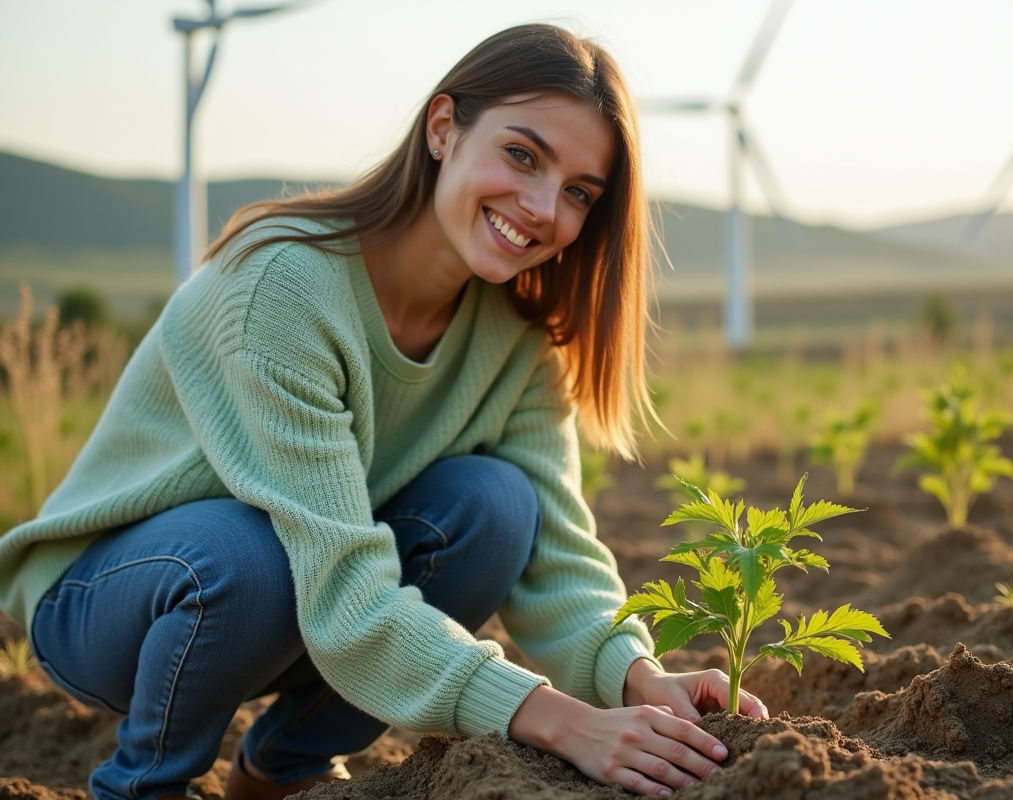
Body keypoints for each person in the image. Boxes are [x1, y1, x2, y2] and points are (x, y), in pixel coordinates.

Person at [0, 23, 767, 800]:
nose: (541, 207)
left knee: (498, 507)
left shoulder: (522, 344)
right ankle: (143, 786)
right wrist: (561, 721)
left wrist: (637, 677)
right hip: (112, 605)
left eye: (578, 193)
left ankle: (283, 766)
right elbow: (345, 588)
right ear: (443, 129)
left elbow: (557, 558)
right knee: (246, 553)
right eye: (521, 155)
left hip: (289, 590)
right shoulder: (282, 288)